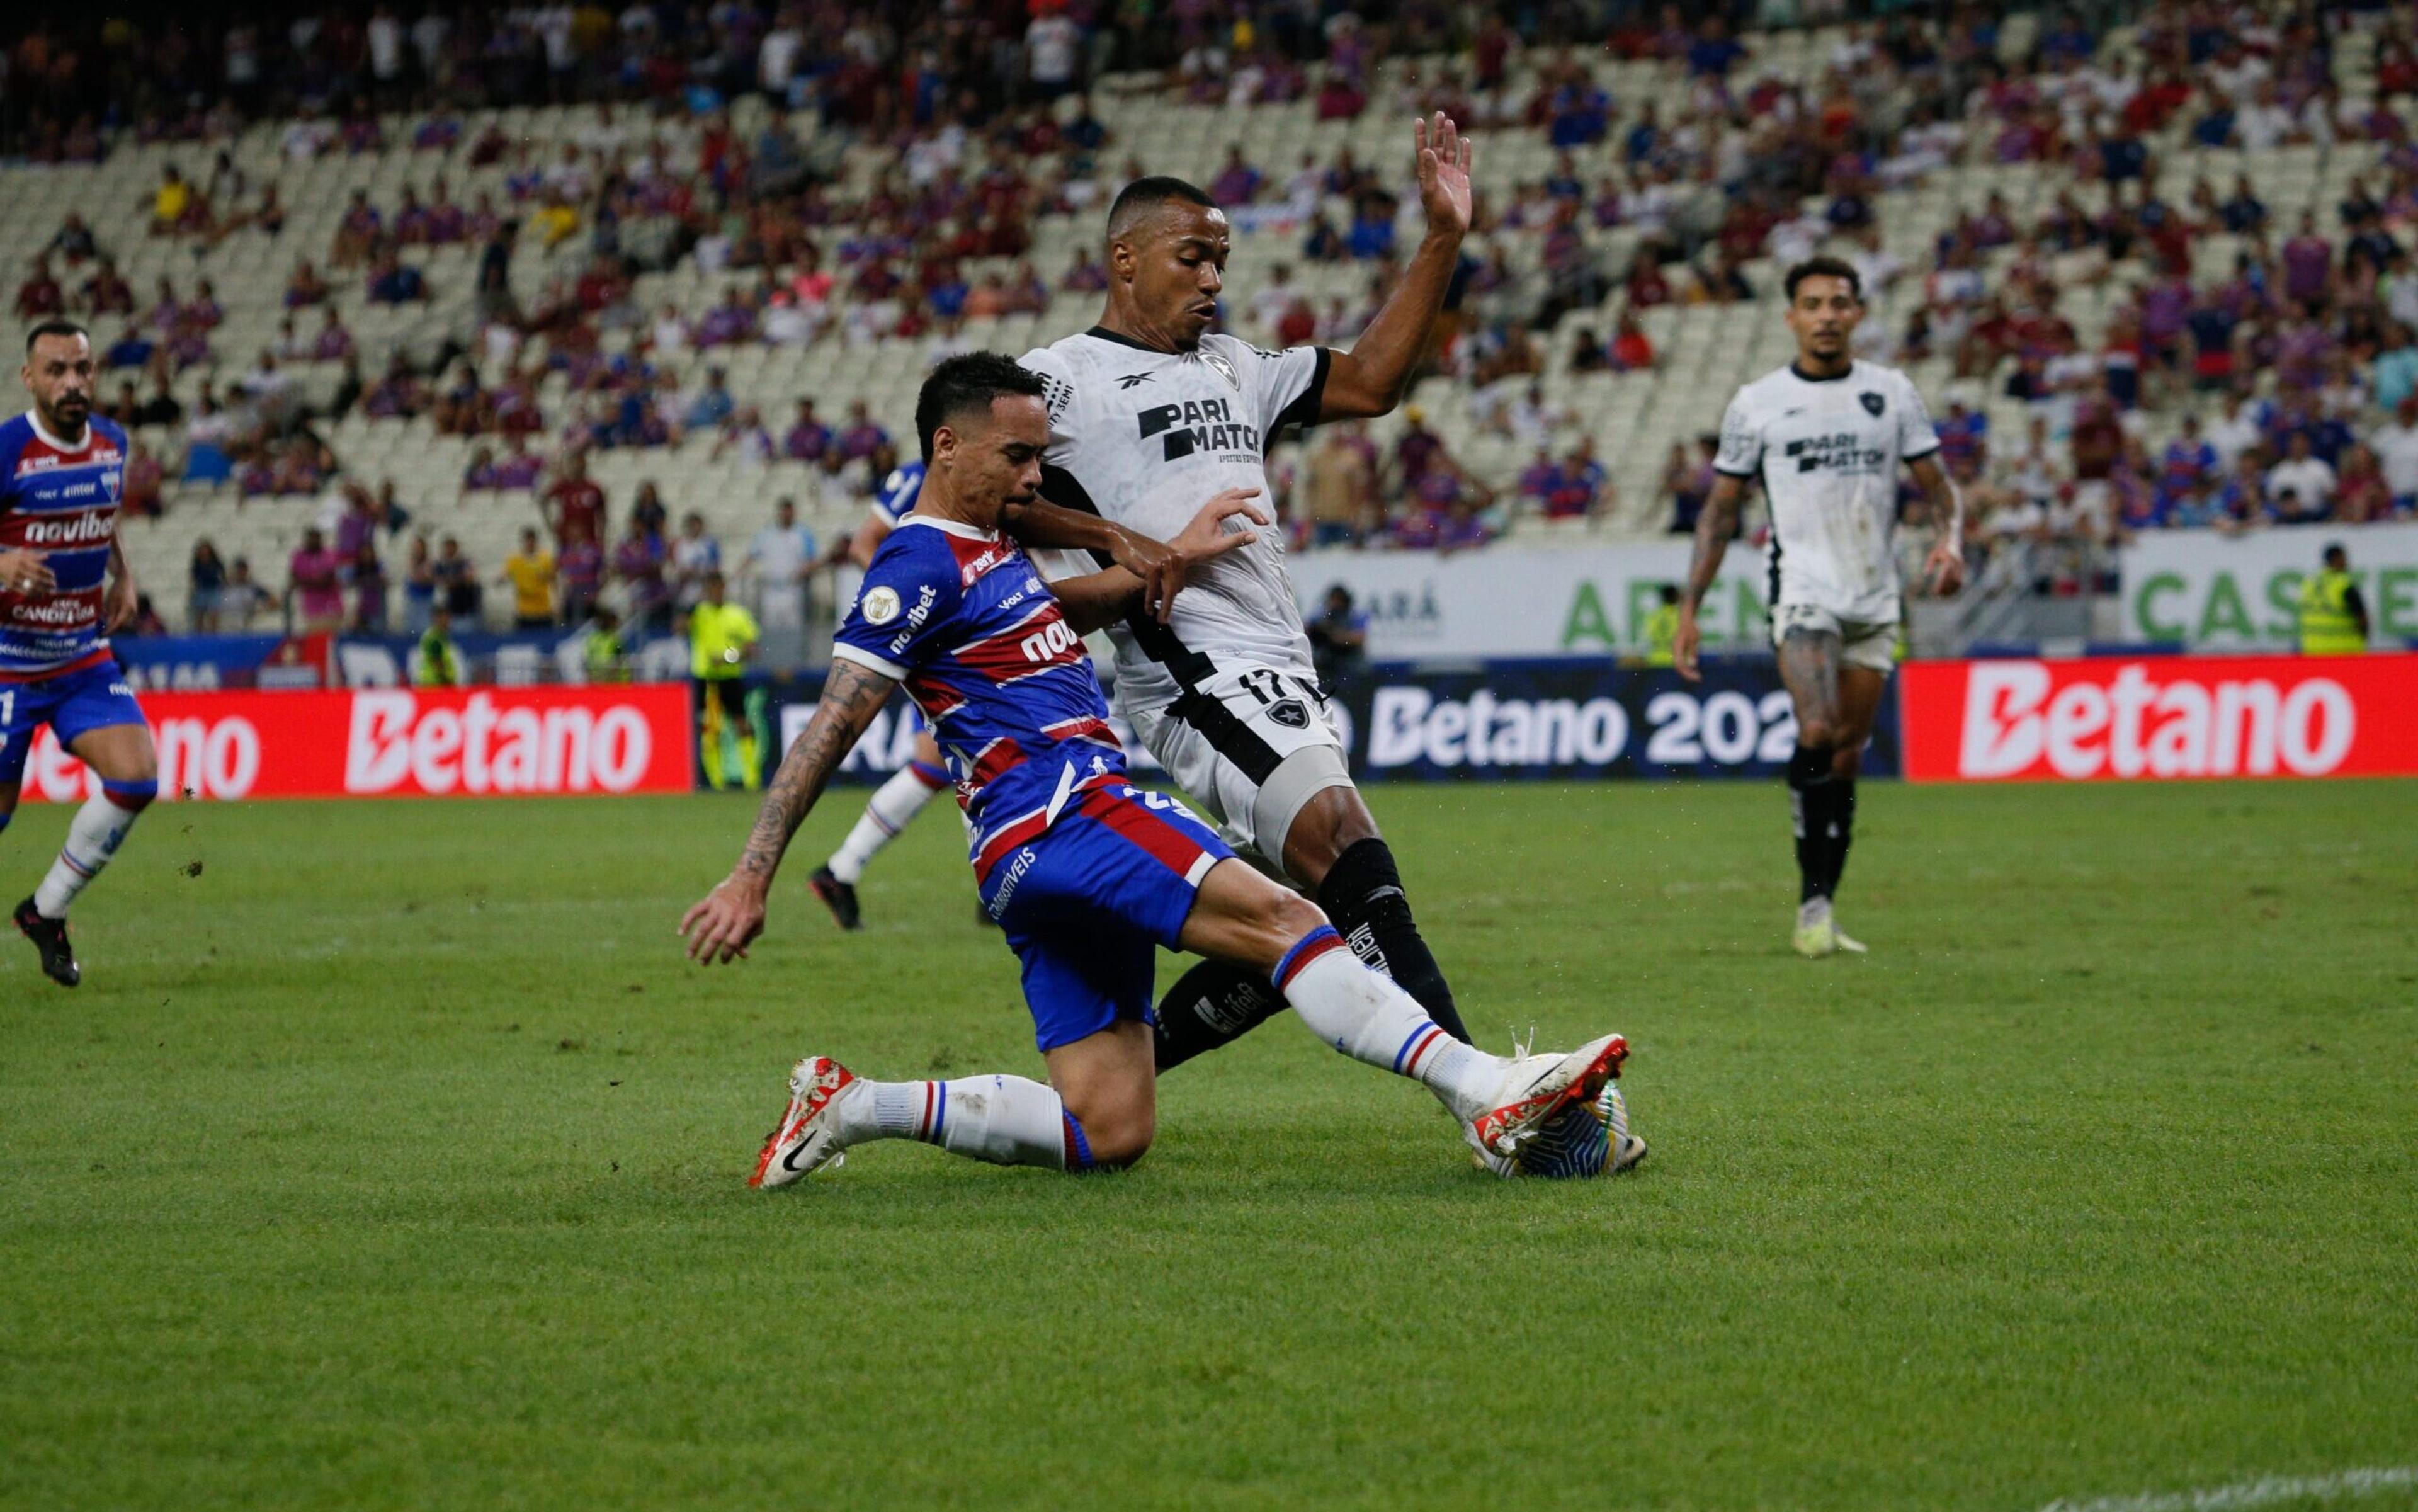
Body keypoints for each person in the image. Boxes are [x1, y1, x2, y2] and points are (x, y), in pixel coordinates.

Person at [679, 355, 1637, 1186]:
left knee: (1109, 1129)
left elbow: (1058, 614)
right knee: (1290, 915)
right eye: (1016, 456)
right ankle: (1488, 1095)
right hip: (1070, 810)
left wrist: (1162, 559)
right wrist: (753, 872)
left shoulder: (989, 553)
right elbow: (833, 723)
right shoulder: (918, 562)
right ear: (946, 448)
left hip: (1021, 862)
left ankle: (850, 1107)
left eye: (1040, 454)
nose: (1034, 475)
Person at [1003, 127, 1632, 1176]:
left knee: (1289, 919)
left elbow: (1376, 380)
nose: (1212, 279)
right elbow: (983, 486)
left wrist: (1440, 238)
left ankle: (1116, 1078)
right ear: (1124, 260)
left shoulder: (1239, 367)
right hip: (1197, 673)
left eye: (1222, 262)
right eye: (1191, 258)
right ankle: (1495, 1102)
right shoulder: (1060, 381)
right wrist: (1112, 537)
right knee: (1347, 848)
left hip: (1280, 668)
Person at [1674, 256, 1965, 959]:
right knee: (1819, 723)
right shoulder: (1758, 403)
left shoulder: (1891, 394)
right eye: (1813, 303)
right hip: (1802, 588)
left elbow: (1939, 485)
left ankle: (1819, 906)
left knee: (1846, 753)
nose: (1828, 314)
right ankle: (1813, 899)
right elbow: (1720, 512)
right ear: (1792, 318)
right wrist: (1691, 609)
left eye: (1840, 302)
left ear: (1858, 313)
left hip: (1874, 596)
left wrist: (1951, 539)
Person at [1, 319, 159, 988]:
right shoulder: (9, 448)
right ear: (29, 378)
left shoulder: (112, 442)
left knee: (137, 778)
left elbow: (105, 511)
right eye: (57, 370)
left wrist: (122, 573)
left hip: (78, 656)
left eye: (83, 368)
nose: (72, 382)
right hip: (6, 661)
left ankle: (46, 911)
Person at [690, 569, 761, 792]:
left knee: (742, 725)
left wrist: (730, 657)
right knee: (710, 730)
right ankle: (716, 782)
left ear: (723, 588)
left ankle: (751, 778)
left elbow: (753, 649)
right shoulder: (698, 613)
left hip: (730, 677)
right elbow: (678, 627)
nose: (714, 593)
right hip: (706, 679)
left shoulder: (737, 614)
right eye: (710, 589)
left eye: (717, 588)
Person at [2297, 543, 2369, 655]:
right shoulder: (2344, 584)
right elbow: (2362, 618)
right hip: (2344, 650)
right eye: (2344, 558)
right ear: (2336, 559)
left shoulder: (2309, 583)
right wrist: (2363, 638)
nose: (2346, 562)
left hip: (2312, 650)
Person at [1307, 584, 1369, 686]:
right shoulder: (1324, 614)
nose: (1336, 604)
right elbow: (1308, 630)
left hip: (1351, 666)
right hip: (1327, 666)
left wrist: (1334, 634)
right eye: (1333, 600)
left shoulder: (1354, 615)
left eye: (1339, 600)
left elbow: (1358, 638)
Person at [500, 527, 557, 631]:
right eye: (528, 541)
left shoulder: (545, 558)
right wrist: (501, 580)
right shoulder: (515, 560)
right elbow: (504, 575)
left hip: (543, 610)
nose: (530, 544)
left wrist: (545, 576)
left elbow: (554, 577)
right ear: (523, 542)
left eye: (532, 541)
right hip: (524, 611)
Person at [415, 604, 463, 686]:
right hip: (434, 686)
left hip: (434, 685)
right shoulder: (434, 638)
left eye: (448, 618)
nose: (447, 622)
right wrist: (448, 681)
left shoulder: (441, 637)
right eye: (444, 619)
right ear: (436, 619)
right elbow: (437, 663)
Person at [1642, 584, 1681, 666]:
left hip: (1654, 660)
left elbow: (1649, 636)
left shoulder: (1654, 615)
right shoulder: (1681, 616)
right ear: (1677, 597)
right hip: (1676, 661)